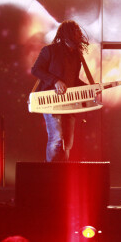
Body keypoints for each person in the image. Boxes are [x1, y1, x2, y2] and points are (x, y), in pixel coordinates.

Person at [31, 20, 90, 162]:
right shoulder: (50, 50)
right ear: (66, 34)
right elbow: (36, 70)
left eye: (78, 31)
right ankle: (51, 175)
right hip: (51, 101)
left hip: (69, 103)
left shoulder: (77, 56)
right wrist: (55, 81)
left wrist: (89, 88)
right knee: (56, 138)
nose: (78, 33)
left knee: (67, 143)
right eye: (75, 31)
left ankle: (62, 173)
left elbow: (74, 80)